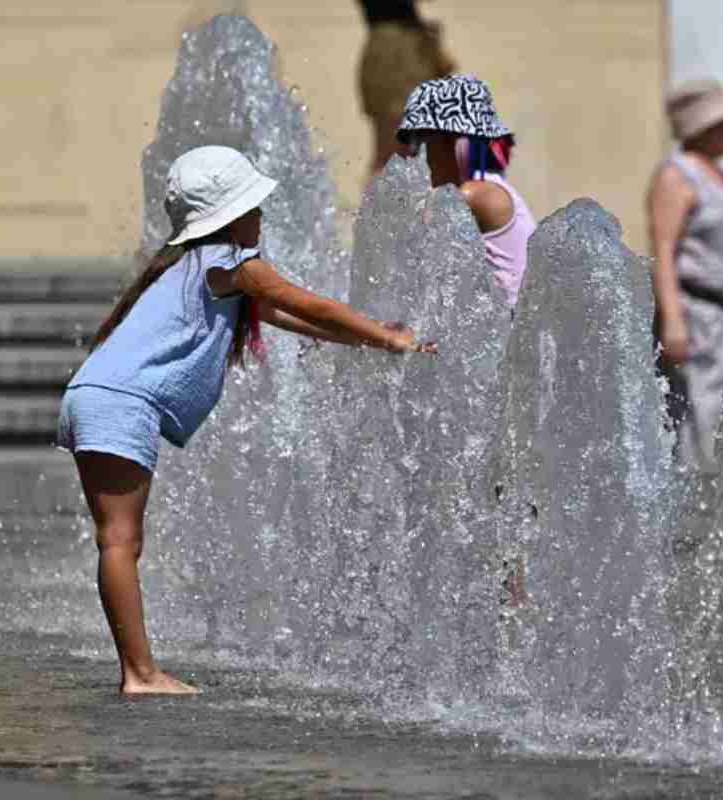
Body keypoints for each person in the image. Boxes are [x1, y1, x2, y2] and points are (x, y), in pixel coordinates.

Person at [56, 146, 435, 694]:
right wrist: (392, 335)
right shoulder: (229, 263)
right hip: (118, 403)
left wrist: (380, 343)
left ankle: (139, 671)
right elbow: (309, 303)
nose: (262, 217)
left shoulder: (193, 269)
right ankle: (139, 675)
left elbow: (294, 319)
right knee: (119, 540)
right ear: (232, 216)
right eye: (255, 207)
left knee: (117, 539)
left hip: (95, 394)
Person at [649, 80, 723, 468]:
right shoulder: (677, 177)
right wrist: (674, 321)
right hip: (699, 315)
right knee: (701, 417)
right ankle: (696, 517)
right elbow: (663, 250)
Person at [396, 74, 537, 309]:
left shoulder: (474, 196)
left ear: (449, 142)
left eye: (418, 141)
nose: (412, 154)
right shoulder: (491, 185)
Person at [357, 1, 455, 177]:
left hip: (409, 42)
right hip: (396, 48)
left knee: (420, 152)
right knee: (393, 151)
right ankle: (379, 203)